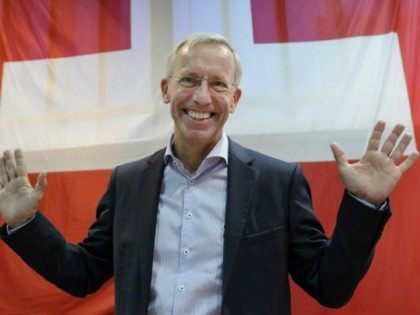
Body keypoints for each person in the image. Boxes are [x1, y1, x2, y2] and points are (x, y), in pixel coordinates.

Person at [0, 33, 418, 315]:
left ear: (235, 99)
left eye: (218, 84)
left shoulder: (278, 182)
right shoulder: (127, 183)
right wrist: (25, 223)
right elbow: (83, 273)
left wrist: (366, 205)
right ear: (166, 89)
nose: (201, 97)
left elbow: (331, 287)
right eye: (189, 79)